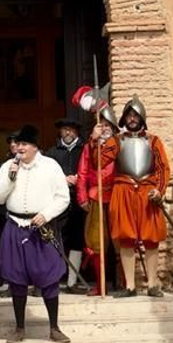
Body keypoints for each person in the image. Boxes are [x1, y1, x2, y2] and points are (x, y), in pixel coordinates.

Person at [0, 126, 73, 343]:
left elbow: (63, 197)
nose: (20, 148)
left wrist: (46, 214)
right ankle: (19, 328)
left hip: (41, 227)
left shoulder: (50, 166)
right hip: (15, 226)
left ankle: (54, 328)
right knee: (16, 277)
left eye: (24, 144)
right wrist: (10, 178)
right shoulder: (8, 166)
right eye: (17, 144)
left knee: (48, 276)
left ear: (35, 147)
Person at [108, 99, 170, 296]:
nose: (132, 118)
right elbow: (98, 161)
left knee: (151, 239)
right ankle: (130, 286)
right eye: (129, 115)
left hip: (147, 192)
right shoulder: (116, 141)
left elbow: (163, 168)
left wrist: (159, 190)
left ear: (142, 117)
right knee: (126, 238)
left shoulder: (153, 141)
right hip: (123, 191)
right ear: (124, 118)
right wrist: (95, 141)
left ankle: (152, 285)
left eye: (135, 115)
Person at [75, 112, 118, 296]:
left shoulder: (119, 144)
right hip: (96, 197)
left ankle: (125, 284)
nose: (105, 128)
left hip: (117, 196)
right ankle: (101, 286)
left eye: (108, 125)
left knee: (121, 241)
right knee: (96, 243)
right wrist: (82, 197)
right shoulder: (89, 147)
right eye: (102, 125)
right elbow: (82, 173)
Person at [48, 115, 88, 288]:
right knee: (58, 238)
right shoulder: (52, 152)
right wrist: (62, 179)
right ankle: (54, 278)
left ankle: (72, 281)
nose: (68, 133)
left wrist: (79, 179)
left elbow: (91, 170)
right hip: (59, 201)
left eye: (71, 130)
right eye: (65, 129)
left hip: (80, 201)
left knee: (77, 239)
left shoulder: (85, 150)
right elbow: (47, 175)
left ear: (77, 132)